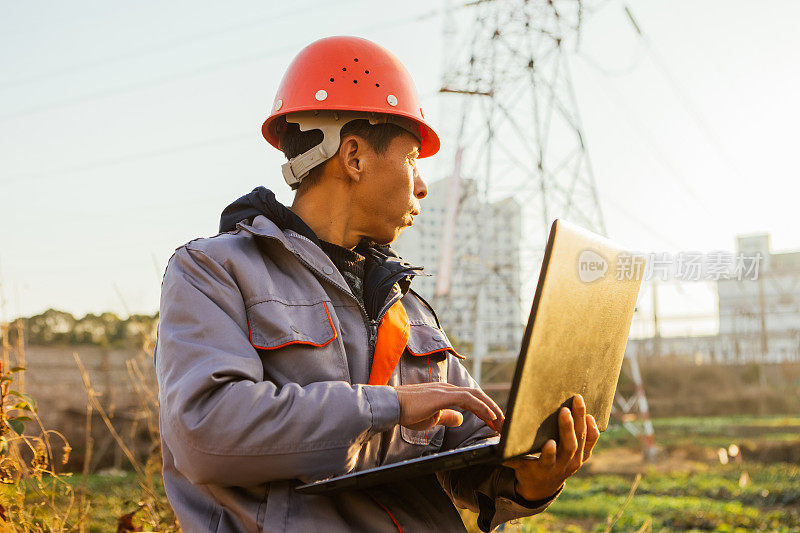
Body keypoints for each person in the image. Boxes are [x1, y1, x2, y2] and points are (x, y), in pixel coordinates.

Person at [155, 36, 600, 532]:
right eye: (413, 158)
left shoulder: (407, 307)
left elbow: (473, 450)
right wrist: (391, 405)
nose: (423, 185)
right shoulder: (213, 271)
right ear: (354, 156)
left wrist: (532, 479)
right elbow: (207, 432)